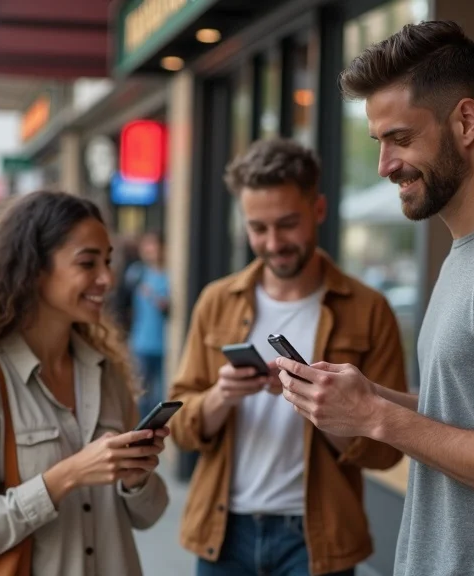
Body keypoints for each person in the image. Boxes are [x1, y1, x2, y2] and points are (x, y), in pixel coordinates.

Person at [276, 21, 474, 576]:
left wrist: (379, 418)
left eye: (401, 139)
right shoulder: (469, 250)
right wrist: (365, 398)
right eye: (379, 143)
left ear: (466, 121)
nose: (384, 166)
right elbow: (469, 412)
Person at [169, 138, 408, 576]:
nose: (273, 242)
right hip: (224, 534)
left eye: (287, 224)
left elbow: (387, 452)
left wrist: (325, 408)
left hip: (318, 538)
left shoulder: (368, 308)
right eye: (258, 228)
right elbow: (180, 429)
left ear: (318, 210)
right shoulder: (216, 301)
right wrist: (221, 396)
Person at [0, 191, 170, 575]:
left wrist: (136, 478)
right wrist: (67, 475)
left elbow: (148, 515)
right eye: (87, 263)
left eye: (108, 262)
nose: (107, 278)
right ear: (34, 270)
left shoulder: (107, 371)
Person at [128, 231, 170, 417]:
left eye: (154, 245)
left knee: (159, 395)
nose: (151, 250)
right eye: (147, 246)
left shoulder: (171, 276)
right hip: (140, 342)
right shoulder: (137, 273)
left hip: (163, 344)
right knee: (141, 393)